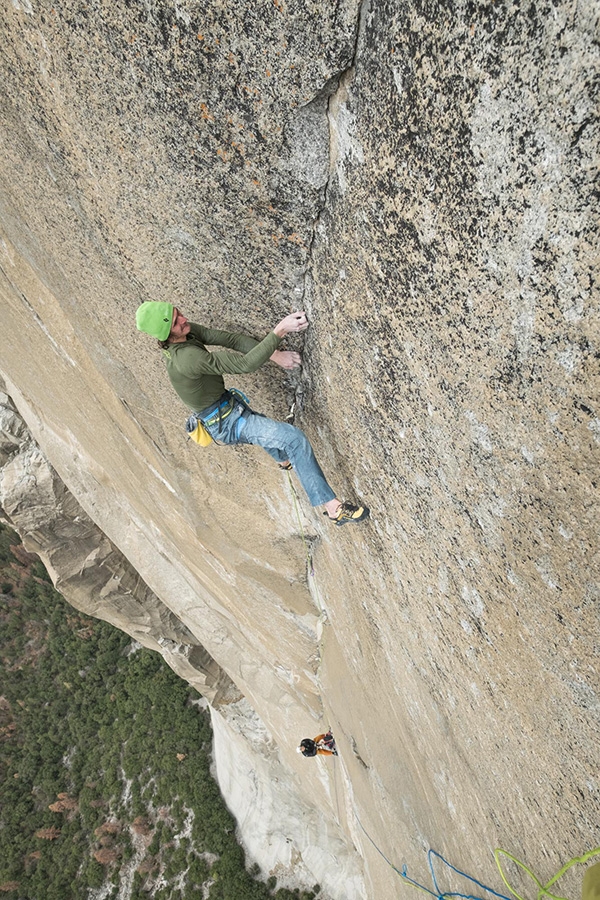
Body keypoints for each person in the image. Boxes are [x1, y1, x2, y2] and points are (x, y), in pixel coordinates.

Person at [135, 301, 369, 525]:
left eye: (179, 313)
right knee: (294, 439)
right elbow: (244, 365)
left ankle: (285, 460)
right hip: (225, 423)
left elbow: (231, 339)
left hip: (229, 407)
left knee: (264, 428)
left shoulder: (186, 334)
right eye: (176, 322)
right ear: (166, 335)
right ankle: (334, 509)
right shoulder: (187, 358)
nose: (184, 320)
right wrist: (279, 331)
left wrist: (274, 354)